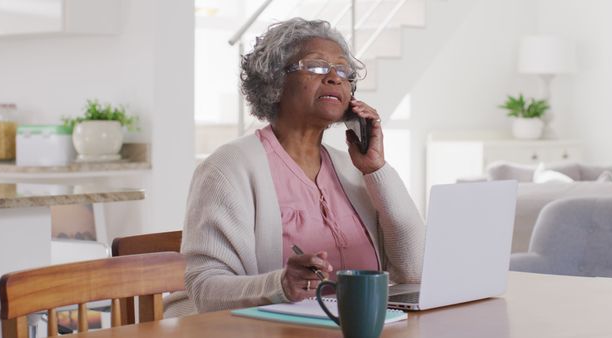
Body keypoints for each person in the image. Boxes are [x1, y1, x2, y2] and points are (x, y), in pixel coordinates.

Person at [164, 18, 425, 316]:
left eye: (343, 71)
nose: (334, 78)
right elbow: (204, 288)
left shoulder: (354, 170)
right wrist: (281, 285)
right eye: (315, 66)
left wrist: (376, 169)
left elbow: (414, 270)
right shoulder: (229, 168)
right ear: (274, 80)